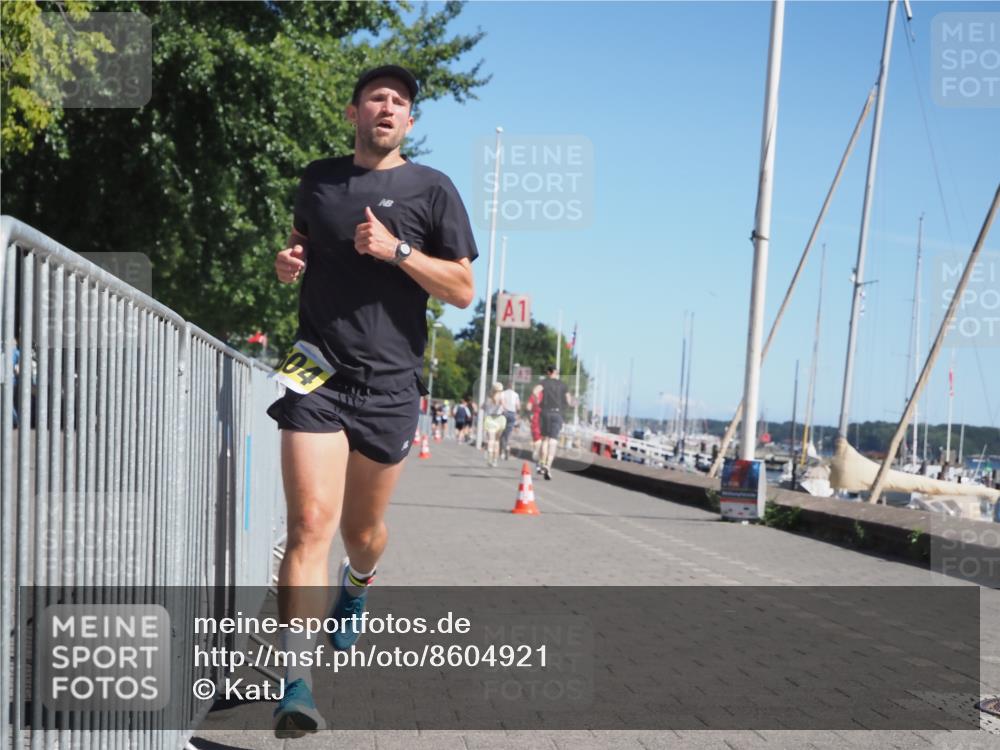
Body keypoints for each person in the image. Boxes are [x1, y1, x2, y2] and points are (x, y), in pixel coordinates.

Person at [267, 64, 477, 737]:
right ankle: (296, 682)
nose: (387, 107)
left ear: (410, 121)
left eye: (399, 101)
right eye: (376, 98)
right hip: (314, 369)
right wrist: (288, 263)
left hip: (390, 384)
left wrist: (398, 250)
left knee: (361, 534)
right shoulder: (319, 180)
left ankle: (358, 581)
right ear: (354, 112)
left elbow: (462, 290)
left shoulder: (433, 189)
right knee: (309, 524)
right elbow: (301, 245)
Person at [538, 365, 572, 480]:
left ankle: (542, 462)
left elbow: (535, 391)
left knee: (545, 439)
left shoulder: (544, 383)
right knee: (553, 441)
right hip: (557, 414)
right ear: (556, 373)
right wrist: (566, 407)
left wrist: (537, 401)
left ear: (549, 372)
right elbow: (569, 400)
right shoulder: (563, 385)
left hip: (545, 412)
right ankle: (548, 466)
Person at [482, 382, 506, 467]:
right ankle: (495, 460)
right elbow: (504, 407)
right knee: (497, 441)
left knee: (490, 440)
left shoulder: (489, 397)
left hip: (490, 419)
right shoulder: (502, 396)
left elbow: (482, 407)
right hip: (499, 419)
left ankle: (490, 456)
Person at [498, 382, 520, 460]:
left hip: (504, 413)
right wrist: (517, 415)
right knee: (508, 434)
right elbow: (518, 406)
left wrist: (505, 409)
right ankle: (507, 447)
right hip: (512, 414)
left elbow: (501, 402)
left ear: (507, 386)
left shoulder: (503, 393)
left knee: (501, 433)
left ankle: (502, 452)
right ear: (513, 387)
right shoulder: (516, 394)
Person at [526, 383, 543, 467]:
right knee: (543, 439)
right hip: (545, 418)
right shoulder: (545, 395)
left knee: (537, 438)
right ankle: (541, 458)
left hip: (535, 418)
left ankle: (537, 453)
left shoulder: (533, 396)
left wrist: (529, 417)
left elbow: (528, 407)